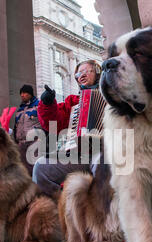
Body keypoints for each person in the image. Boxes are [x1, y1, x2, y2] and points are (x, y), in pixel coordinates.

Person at [33, 60, 103, 197]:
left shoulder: (111, 99)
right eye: (78, 74)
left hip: (105, 154)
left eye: (86, 71)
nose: (81, 75)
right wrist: (47, 104)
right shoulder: (73, 103)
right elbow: (53, 124)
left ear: (98, 73)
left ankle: (102, 210)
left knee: (100, 165)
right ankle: (60, 205)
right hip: (78, 156)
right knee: (40, 167)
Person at [13, 84, 42, 175]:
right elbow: (16, 126)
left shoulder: (39, 106)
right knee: (23, 170)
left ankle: (38, 187)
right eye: (21, 93)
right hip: (21, 143)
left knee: (35, 168)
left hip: (35, 142)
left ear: (30, 94)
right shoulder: (20, 110)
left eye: (24, 93)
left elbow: (47, 121)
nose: (22, 95)